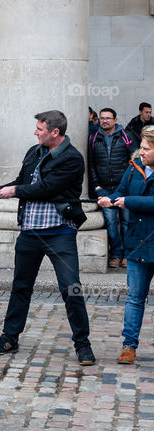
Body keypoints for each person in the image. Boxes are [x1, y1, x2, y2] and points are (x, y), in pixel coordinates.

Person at [0, 110, 95, 366]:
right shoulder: (34, 152)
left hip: (60, 233)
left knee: (71, 288)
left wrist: (13, 191)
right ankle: (10, 337)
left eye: (40, 129)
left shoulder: (73, 159)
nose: (35, 132)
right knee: (20, 286)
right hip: (30, 231)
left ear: (55, 132)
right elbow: (22, 181)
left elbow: (46, 188)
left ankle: (83, 344)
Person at [99, 125, 154, 364]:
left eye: (146, 149)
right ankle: (129, 345)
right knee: (135, 297)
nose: (140, 152)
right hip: (137, 242)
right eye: (141, 148)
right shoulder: (134, 168)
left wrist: (127, 201)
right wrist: (109, 199)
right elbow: (120, 191)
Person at [89, 108, 134, 268]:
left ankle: (128, 255)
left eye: (108, 118)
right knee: (111, 223)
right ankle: (115, 254)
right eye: (102, 118)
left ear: (115, 120)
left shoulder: (126, 137)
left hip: (125, 189)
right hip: (105, 190)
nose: (104, 121)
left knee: (127, 222)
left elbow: (134, 163)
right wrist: (97, 188)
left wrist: (129, 185)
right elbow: (91, 165)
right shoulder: (93, 138)